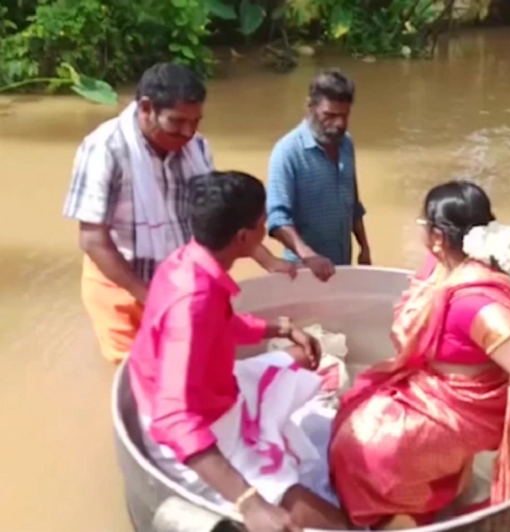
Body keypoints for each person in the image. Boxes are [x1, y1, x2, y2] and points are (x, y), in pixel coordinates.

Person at [328, 181, 510, 530]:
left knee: (363, 447)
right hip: (433, 385)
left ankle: (400, 515)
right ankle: (427, 493)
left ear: (437, 236)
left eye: (423, 225)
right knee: (354, 406)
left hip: (465, 404)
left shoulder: (475, 300)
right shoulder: (442, 266)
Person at [128, 170, 350, 532]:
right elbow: (174, 417)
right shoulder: (193, 300)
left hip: (213, 393)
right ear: (245, 237)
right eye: (264, 223)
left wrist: (281, 328)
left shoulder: (188, 261)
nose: (266, 230)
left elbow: (222, 325)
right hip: (193, 434)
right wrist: (250, 502)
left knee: (303, 360)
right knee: (329, 522)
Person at [62, 62, 294, 363]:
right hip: (124, 287)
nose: (187, 133)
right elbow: (93, 239)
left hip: (179, 285)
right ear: (146, 108)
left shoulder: (196, 148)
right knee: (134, 377)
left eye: (195, 121)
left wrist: (267, 259)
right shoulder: (105, 149)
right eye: (177, 122)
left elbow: (219, 215)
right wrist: (148, 295)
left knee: (187, 362)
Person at [266, 69, 371, 282]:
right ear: (310, 108)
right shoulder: (287, 153)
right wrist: (309, 256)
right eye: (330, 116)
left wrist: (364, 247)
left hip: (342, 266)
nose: (339, 124)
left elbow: (352, 204)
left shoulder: (346, 144)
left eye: (344, 115)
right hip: (304, 271)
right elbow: (277, 220)